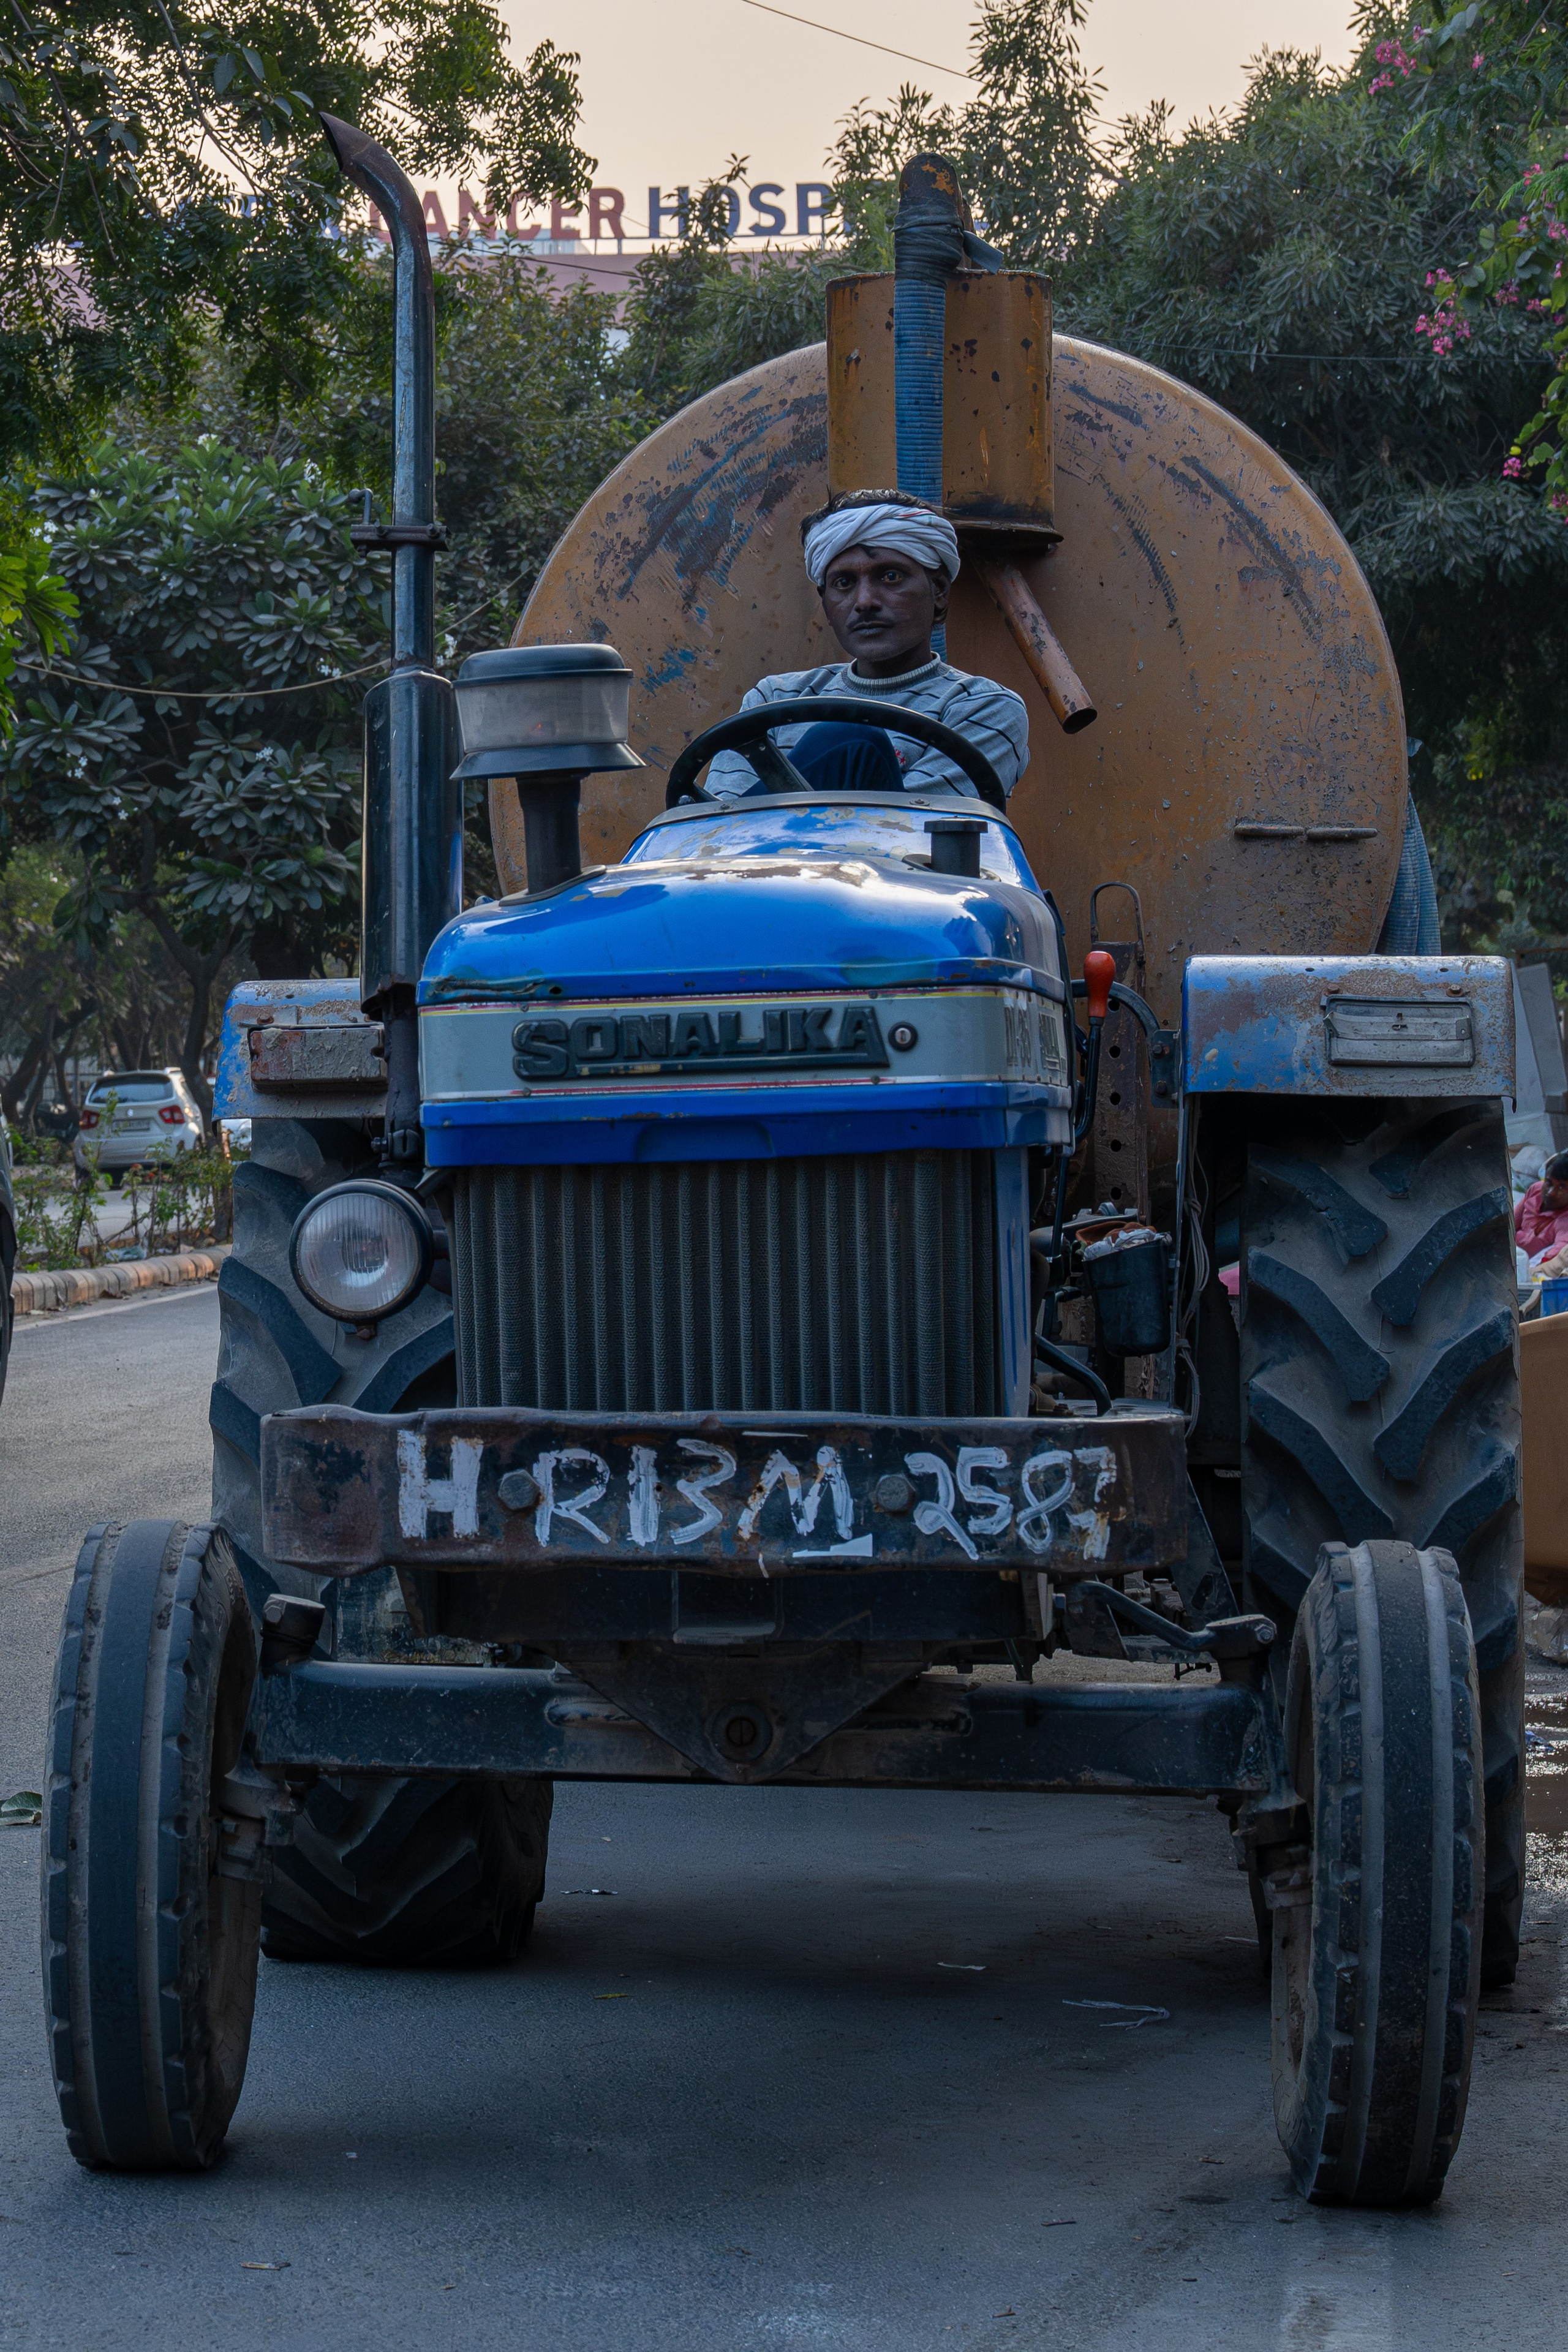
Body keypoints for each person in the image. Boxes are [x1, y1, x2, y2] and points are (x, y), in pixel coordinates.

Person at [704, 487, 1030, 802]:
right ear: (826, 603)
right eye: (844, 584)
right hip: (756, 858)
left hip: (887, 859)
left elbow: (912, 831)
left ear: (940, 590)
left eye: (890, 577)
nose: (864, 602)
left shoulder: (984, 708)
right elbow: (714, 827)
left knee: (855, 744)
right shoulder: (775, 699)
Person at [1518, 1149, 1568, 1265]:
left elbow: (1555, 1258)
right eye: (1549, 1183)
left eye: (1561, 1187)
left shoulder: (1565, 1221)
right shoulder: (1535, 1190)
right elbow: (1508, 1225)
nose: (1551, 1192)